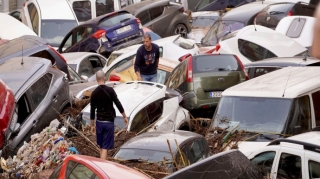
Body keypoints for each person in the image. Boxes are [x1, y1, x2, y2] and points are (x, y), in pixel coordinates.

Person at [90, 70, 128, 160]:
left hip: (99, 122)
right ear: (105, 78)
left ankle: (101, 163)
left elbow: (92, 110)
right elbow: (118, 104)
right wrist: (124, 116)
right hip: (108, 123)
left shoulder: (94, 93)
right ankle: (102, 167)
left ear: (96, 79)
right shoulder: (110, 90)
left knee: (101, 146)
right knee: (105, 147)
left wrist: (92, 124)